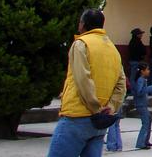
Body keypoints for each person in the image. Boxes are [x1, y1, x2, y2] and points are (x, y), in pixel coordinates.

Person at [48, 8, 126, 157]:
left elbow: (83, 79)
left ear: (82, 24)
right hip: (100, 122)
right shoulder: (113, 49)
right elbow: (121, 83)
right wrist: (111, 106)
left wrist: (95, 107)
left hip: (77, 116)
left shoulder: (81, 44)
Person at [133, 62, 152, 149]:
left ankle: (146, 140)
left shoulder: (142, 79)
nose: (149, 71)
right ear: (142, 71)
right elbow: (139, 92)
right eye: (147, 69)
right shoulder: (140, 80)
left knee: (149, 120)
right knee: (146, 122)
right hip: (141, 105)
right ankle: (141, 143)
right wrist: (149, 88)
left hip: (143, 104)